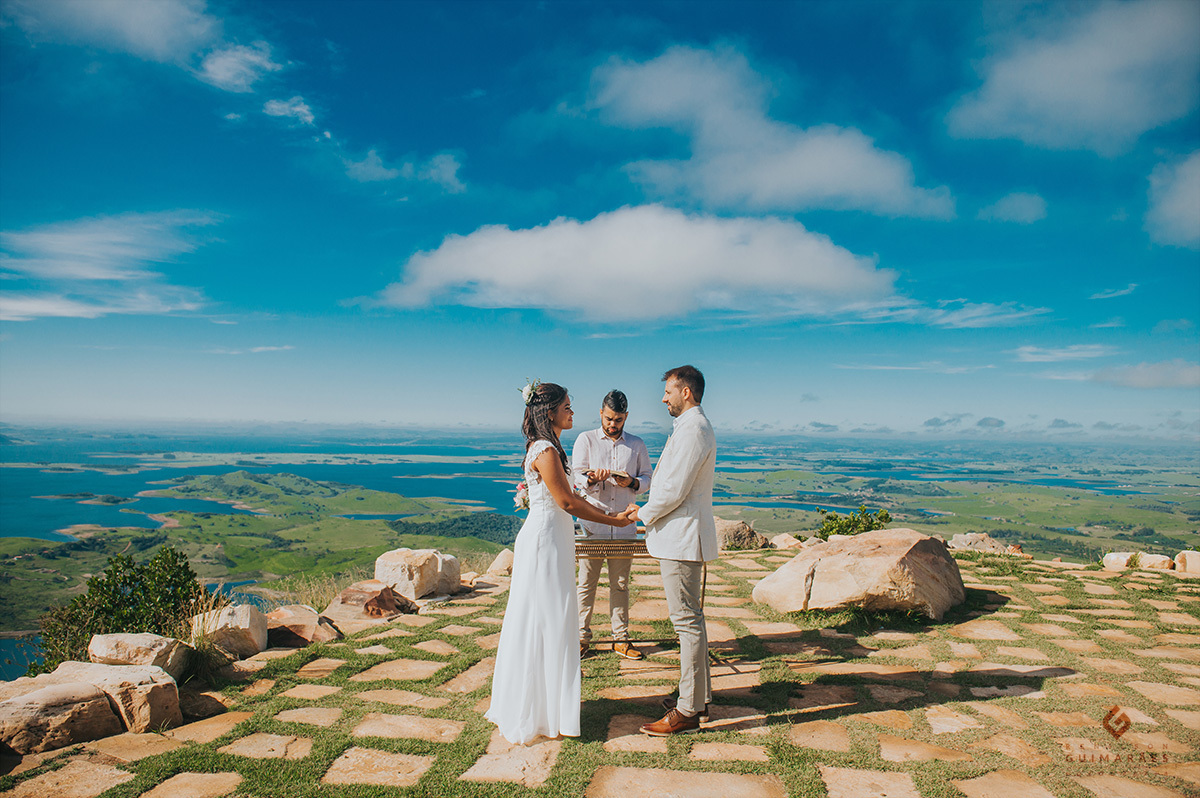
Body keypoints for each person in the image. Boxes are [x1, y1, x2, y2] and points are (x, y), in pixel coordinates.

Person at [485, 381, 634, 745]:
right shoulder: (545, 450)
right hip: (545, 542)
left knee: (551, 618)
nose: (572, 411)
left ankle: (546, 706)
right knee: (546, 617)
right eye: (567, 406)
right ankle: (537, 709)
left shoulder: (553, 448)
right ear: (548, 411)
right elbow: (566, 502)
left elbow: (576, 495)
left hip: (555, 539)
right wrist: (614, 521)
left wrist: (611, 510)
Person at [625, 365, 717, 736]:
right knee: (692, 619)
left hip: (681, 538)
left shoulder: (694, 429)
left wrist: (641, 512)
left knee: (686, 622)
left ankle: (689, 710)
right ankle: (699, 696)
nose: (663, 398)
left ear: (687, 393)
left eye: (668, 391)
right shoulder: (690, 428)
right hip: (680, 536)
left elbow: (674, 489)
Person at [573, 389, 653, 660]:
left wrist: (630, 482)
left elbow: (648, 479)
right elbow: (576, 476)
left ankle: (621, 639)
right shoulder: (585, 439)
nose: (612, 424)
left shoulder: (637, 444)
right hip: (592, 523)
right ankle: (581, 637)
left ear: (626, 417)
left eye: (618, 420)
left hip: (624, 525)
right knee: (586, 583)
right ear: (601, 413)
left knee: (620, 583)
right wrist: (593, 479)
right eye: (609, 418)